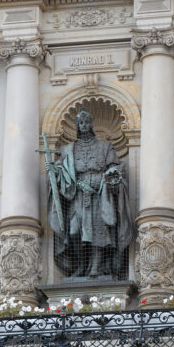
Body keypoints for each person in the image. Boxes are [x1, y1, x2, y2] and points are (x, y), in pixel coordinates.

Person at [46, 109, 132, 279]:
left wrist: (110, 177)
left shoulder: (105, 147)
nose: (83, 125)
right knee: (74, 231)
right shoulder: (68, 150)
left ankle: (96, 266)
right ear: (76, 126)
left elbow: (115, 167)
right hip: (77, 195)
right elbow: (63, 171)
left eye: (86, 122)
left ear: (91, 124)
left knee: (99, 230)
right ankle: (82, 264)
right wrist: (54, 171)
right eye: (80, 123)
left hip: (100, 194)